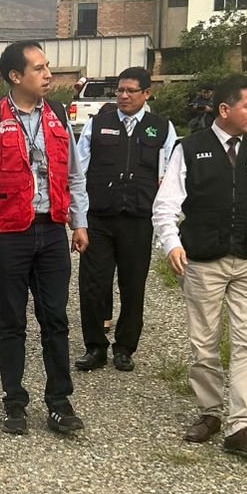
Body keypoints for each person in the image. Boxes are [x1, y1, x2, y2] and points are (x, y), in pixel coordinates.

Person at [152, 73, 247, 457]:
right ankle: (210, 412)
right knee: (205, 343)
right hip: (204, 260)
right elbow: (166, 205)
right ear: (225, 110)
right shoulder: (190, 149)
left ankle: (242, 425)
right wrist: (171, 244)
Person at [0, 40, 90, 436]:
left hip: (51, 231)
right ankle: (14, 400)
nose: (48, 75)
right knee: (12, 321)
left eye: (47, 67)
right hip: (8, 235)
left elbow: (74, 175)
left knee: (55, 318)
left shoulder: (57, 116)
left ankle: (59, 401)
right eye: (38, 68)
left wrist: (79, 222)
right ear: (16, 76)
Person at [73, 67, 177, 373]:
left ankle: (125, 348)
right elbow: (78, 170)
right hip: (100, 219)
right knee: (94, 284)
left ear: (147, 93)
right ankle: (95, 348)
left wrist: (164, 221)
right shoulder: (98, 124)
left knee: (133, 286)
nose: (123, 96)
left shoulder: (161, 128)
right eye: (120, 90)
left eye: (131, 91)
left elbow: (168, 175)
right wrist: (76, 215)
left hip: (137, 219)